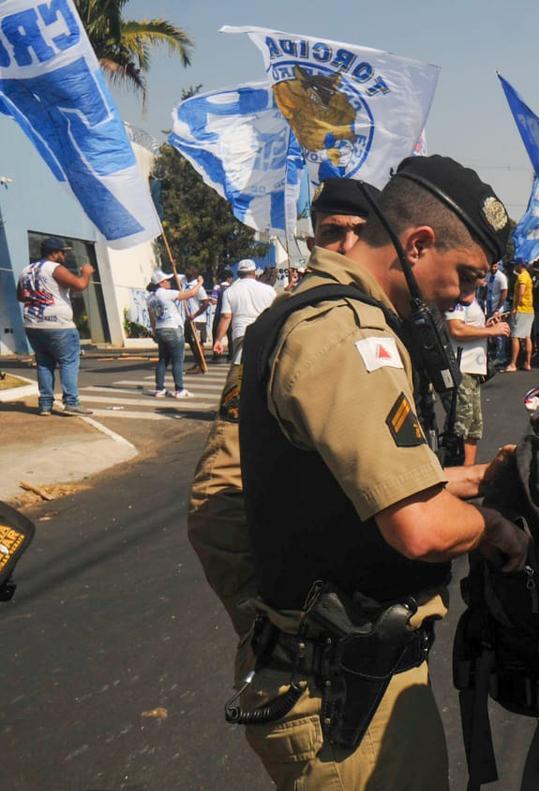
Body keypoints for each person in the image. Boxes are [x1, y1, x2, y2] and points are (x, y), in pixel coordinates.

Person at [198, 160, 529, 791]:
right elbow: (419, 526)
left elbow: (253, 496)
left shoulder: (299, 315)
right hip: (345, 700)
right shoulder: (348, 337)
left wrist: (472, 478)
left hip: (327, 678)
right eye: (466, 276)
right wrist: (495, 530)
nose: (465, 297)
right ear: (418, 244)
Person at [187, 178, 385, 644]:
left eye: (361, 232)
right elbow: (215, 500)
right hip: (303, 622)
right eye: (335, 233)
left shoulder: (385, 322)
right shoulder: (283, 329)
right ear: (314, 242)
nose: (347, 246)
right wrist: (264, 621)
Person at [16, 237, 93, 416]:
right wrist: (86, 272)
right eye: (63, 252)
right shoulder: (55, 268)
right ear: (54, 253)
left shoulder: (26, 270)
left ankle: (45, 404)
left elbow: (21, 296)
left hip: (33, 323)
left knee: (44, 363)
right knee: (68, 362)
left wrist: (39, 295)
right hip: (58, 324)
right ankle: (71, 402)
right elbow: (80, 285)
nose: (64, 255)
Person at [446, 278, 510, 465]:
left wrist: (487, 327)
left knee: (474, 426)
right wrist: (492, 331)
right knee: (460, 427)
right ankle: (456, 472)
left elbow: (469, 327)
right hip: (462, 368)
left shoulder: (474, 297)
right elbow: (456, 329)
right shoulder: (457, 296)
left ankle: (468, 469)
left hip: (474, 370)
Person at [148, 269, 204, 399]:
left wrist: (155, 331)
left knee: (163, 360)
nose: (169, 282)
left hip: (160, 329)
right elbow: (191, 293)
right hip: (173, 328)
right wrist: (200, 282)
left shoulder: (150, 297)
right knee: (177, 360)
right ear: (161, 283)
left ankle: (159, 388)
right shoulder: (166, 293)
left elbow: (152, 318)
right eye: (166, 280)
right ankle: (179, 389)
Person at [213, 260, 277, 365]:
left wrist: (218, 340)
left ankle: (239, 381)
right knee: (260, 367)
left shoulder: (230, 291)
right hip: (264, 333)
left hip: (241, 333)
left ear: (238, 274)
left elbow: (226, 317)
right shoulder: (269, 290)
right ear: (254, 272)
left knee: (240, 370)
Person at [506, 259, 534, 371]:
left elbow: (521, 292)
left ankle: (513, 363)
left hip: (521, 309)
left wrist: (515, 307)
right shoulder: (527, 275)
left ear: (520, 265)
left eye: (516, 265)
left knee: (515, 336)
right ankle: (527, 363)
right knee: (527, 336)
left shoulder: (522, 276)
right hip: (529, 309)